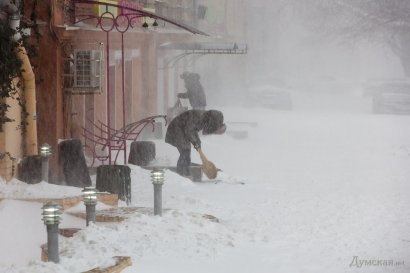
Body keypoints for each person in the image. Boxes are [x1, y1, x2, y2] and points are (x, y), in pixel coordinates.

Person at [165, 109, 226, 176]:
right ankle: (181, 173)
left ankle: (184, 171)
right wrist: (195, 143)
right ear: (212, 121)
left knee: (186, 152)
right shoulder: (199, 116)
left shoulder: (204, 118)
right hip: (176, 129)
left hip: (181, 130)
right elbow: (189, 130)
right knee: (185, 151)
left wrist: (198, 142)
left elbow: (193, 130)